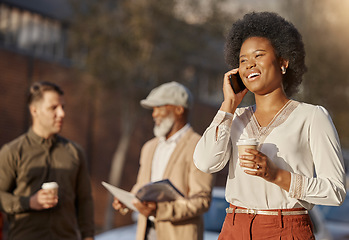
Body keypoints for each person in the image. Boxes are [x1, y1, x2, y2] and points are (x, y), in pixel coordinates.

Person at [193, 11, 346, 239]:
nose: (249, 65)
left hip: (287, 228)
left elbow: (335, 191)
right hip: (234, 227)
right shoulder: (234, 118)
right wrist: (228, 104)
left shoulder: (312, 116)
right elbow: (205, 163)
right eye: (243, 60)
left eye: (258, 55)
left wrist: (277, 176)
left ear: (283, 62)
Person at [112, 81, 214, 240]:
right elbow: (141, 187)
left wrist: (159, 210)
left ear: (179, 109)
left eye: (159, 108)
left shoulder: (199, 146)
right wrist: (128, 201)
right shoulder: (149, 147)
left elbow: (201, 201)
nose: (154, 114)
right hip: (146, 232)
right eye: (153, 109)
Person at [0, 81, 94, 240]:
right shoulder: (13, 151)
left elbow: (85, 200)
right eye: (53, 108)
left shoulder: (75, 152)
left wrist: (88, 237)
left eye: (63, 107)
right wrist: (29, 202)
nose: (62, 114)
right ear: (34, 110)